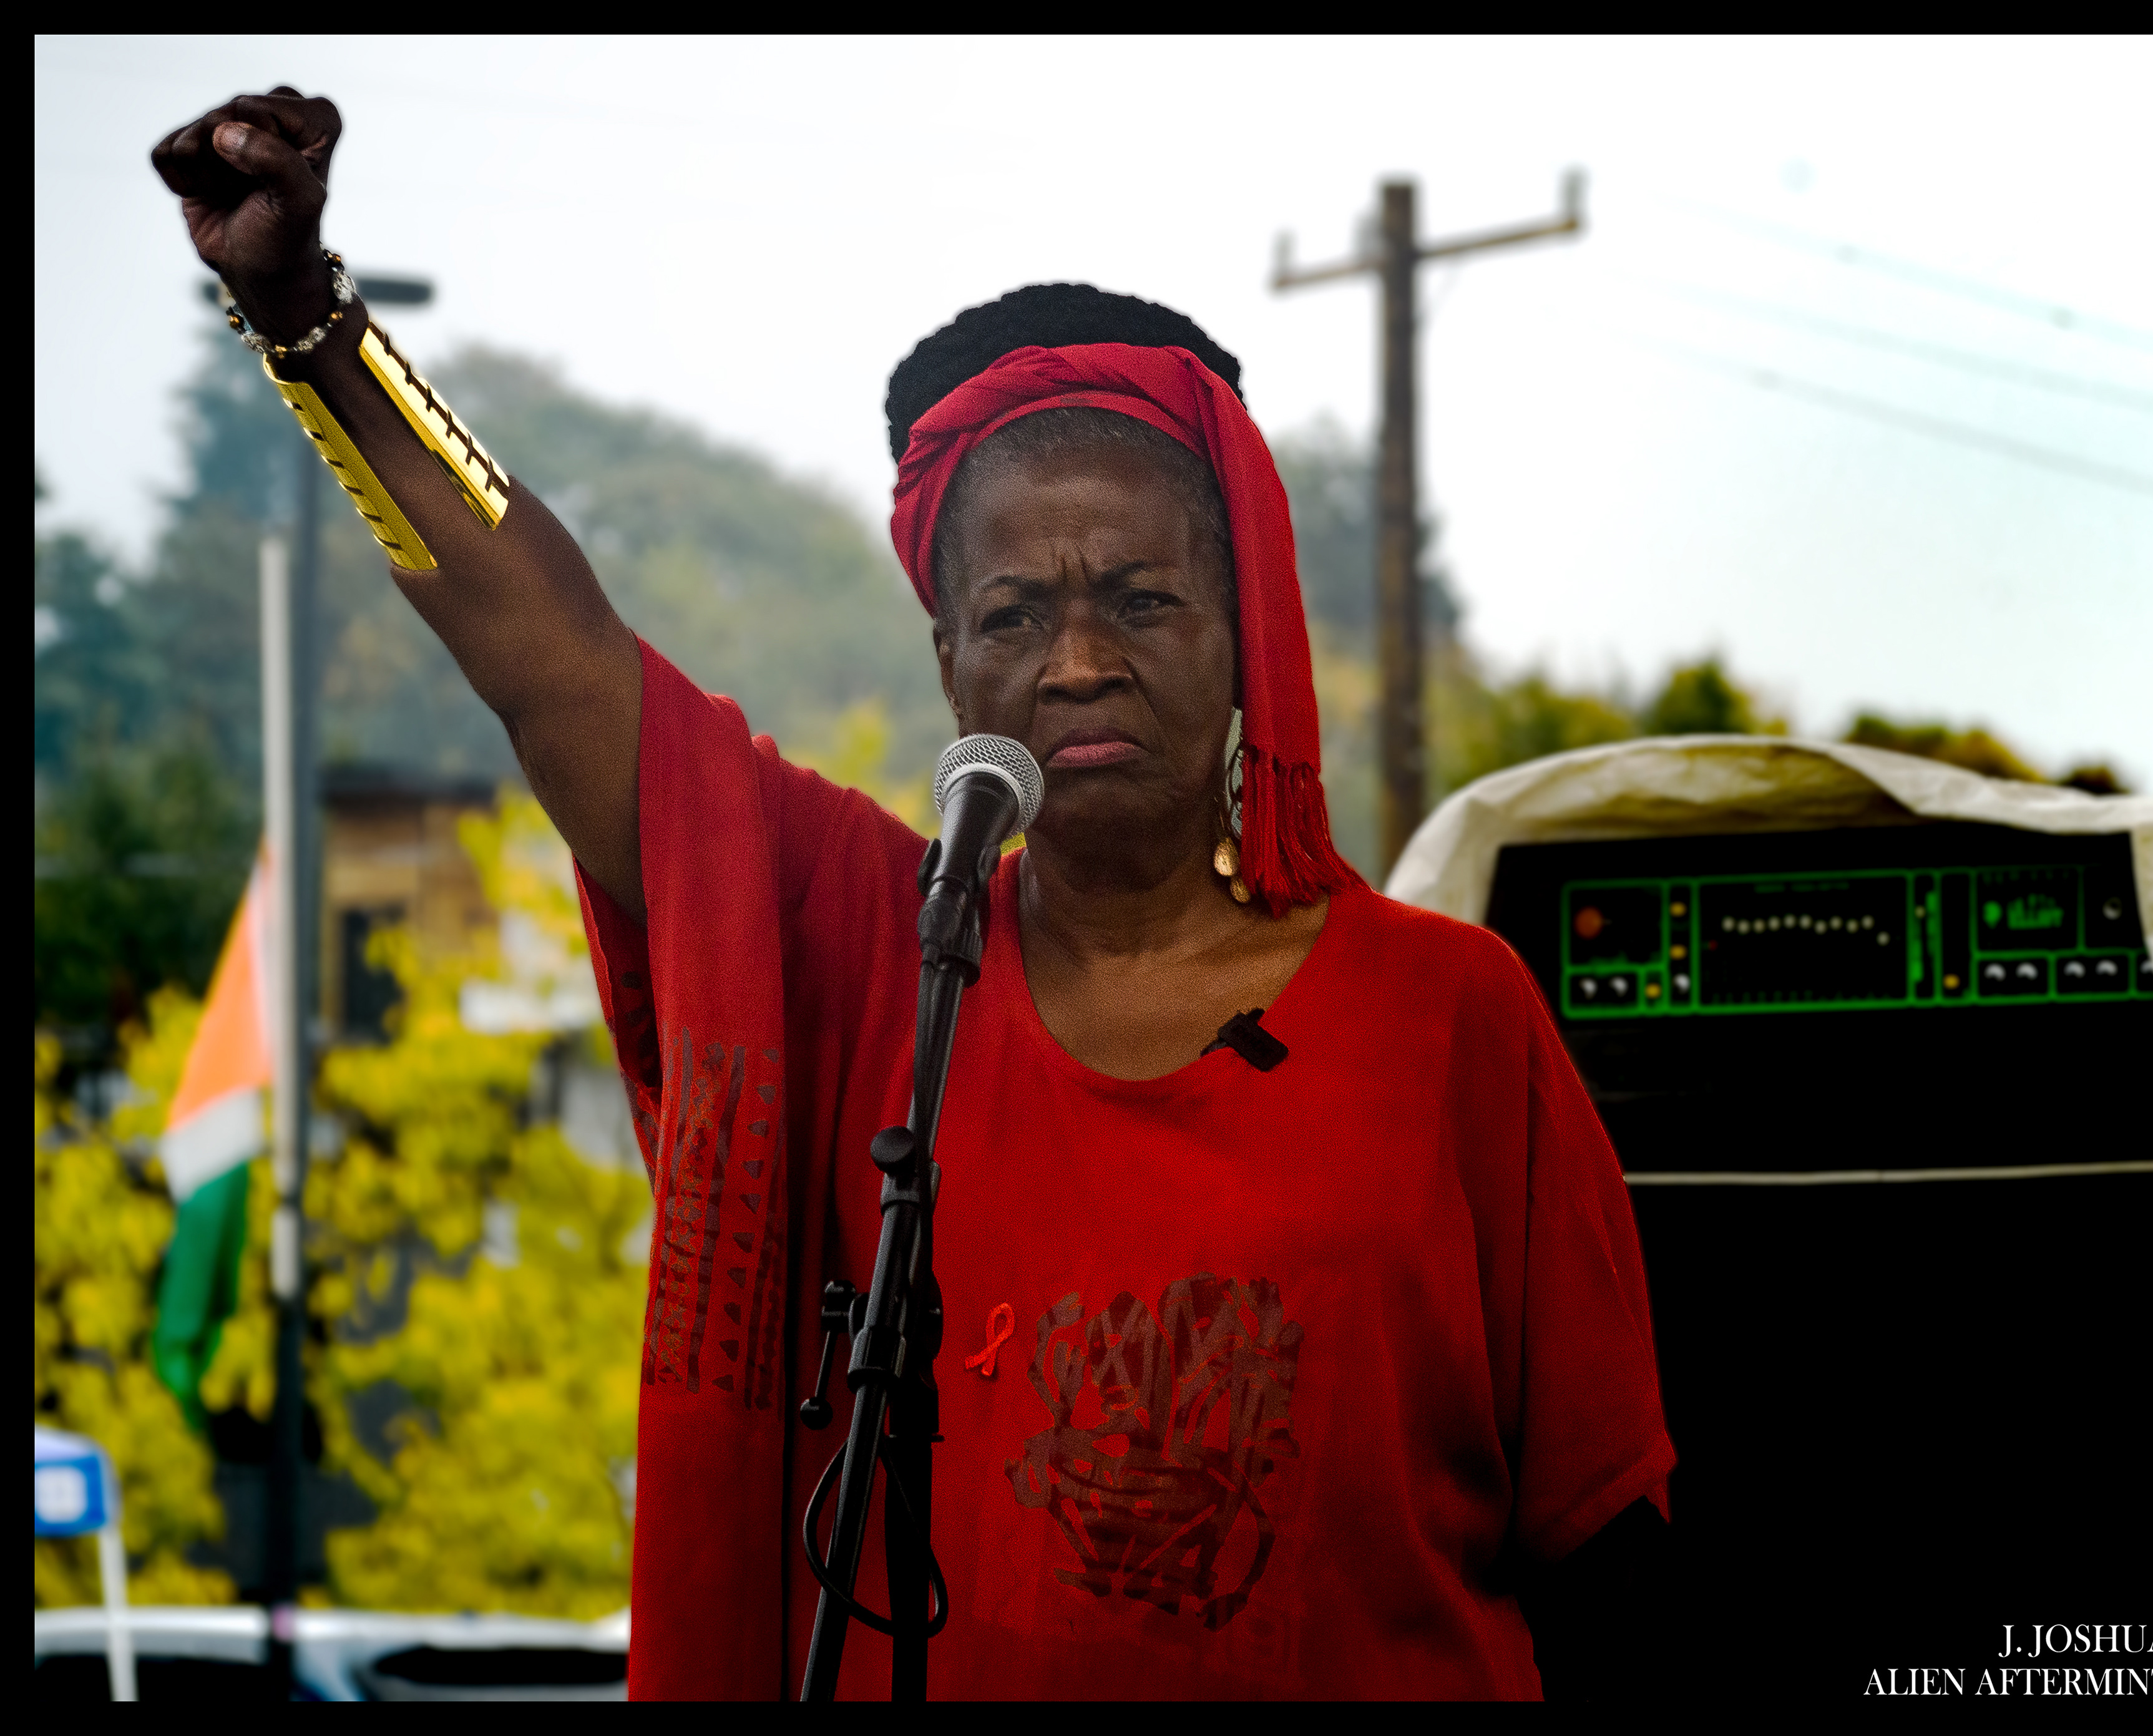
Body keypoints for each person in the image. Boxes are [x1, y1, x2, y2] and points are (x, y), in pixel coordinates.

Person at [154, 88, 1674, 1702]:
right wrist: (308, 323)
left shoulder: (1454, 1019)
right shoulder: (877, 962)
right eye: (1013, 612)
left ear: (1246, 635)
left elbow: (1609, 1558)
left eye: (1142, 598)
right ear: (949, 663)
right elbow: (553, 667)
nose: (1078, 659)